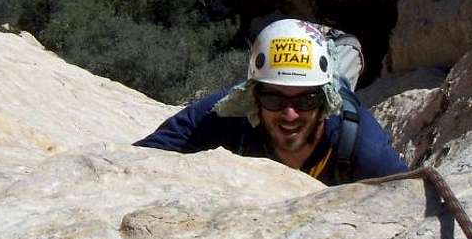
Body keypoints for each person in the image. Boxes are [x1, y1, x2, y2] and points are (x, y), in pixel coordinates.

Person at [135, 18, 408, 184]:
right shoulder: (228, 110)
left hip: (334, 76)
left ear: (324, 101)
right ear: (253, 95)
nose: (290, 114)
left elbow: (407, 201)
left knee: (342, 71)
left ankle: (338, 42)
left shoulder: (362, 145)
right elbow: (142, 158)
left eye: (306, 100)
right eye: (273, 98)